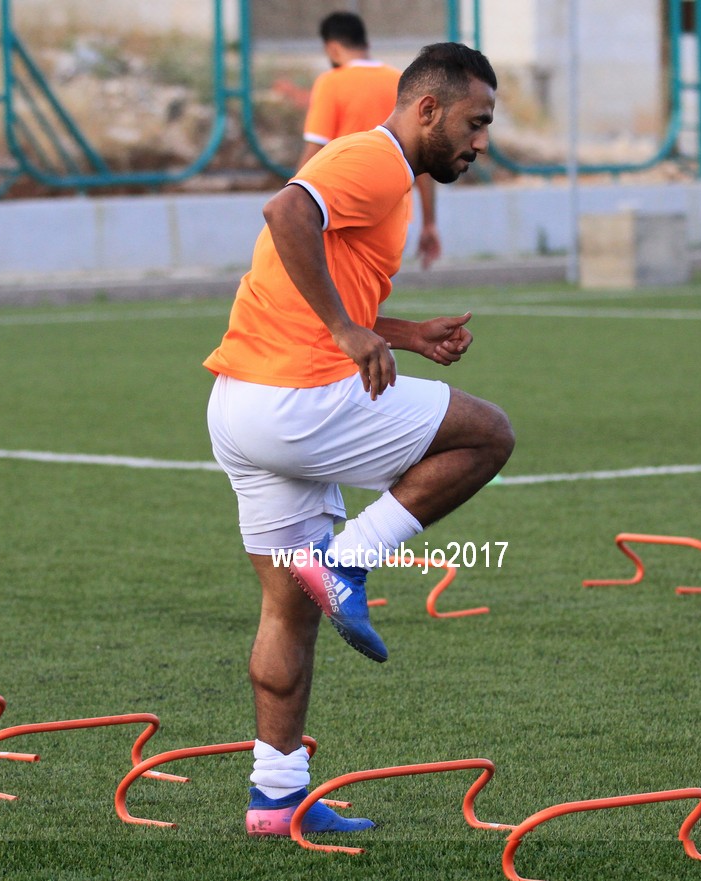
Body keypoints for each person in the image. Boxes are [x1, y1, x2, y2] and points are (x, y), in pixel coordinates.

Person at [204, 41, 513, 837]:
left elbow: (320, 280)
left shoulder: (388, 176)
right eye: (475, 122)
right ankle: (348, 559)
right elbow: (285, 213)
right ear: (428, 109)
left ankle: (276, 797)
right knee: (487, 436)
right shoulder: (374, 160)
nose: (482, 141)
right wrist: (348, 332)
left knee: (287, 609)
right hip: (300, 400)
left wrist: (404, 333)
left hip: (240, 406)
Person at [295, 11, 442, 269]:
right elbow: (421, 163)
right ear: (366, 43)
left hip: (345, 212)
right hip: (395, 217)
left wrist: (292, 201)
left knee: (337, 291)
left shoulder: (331, 83)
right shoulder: (401, 82)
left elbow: (315, 150)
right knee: (372, 290)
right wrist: (429, 223)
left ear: (332, 48)